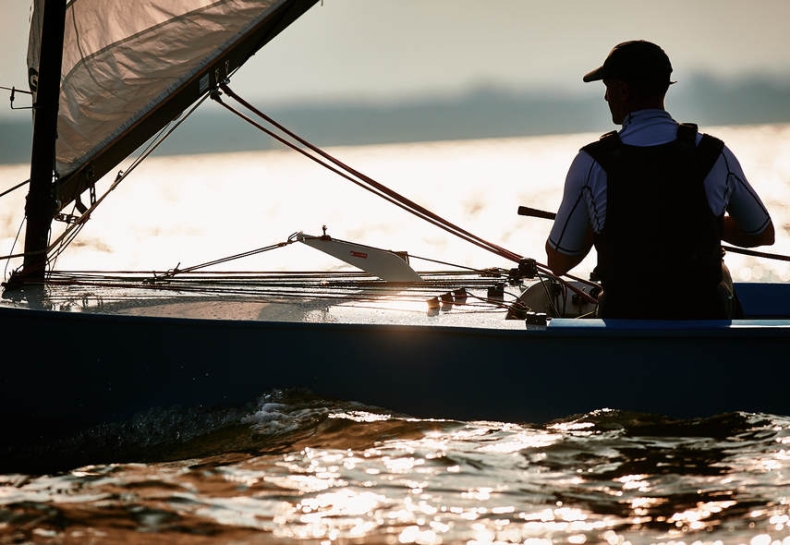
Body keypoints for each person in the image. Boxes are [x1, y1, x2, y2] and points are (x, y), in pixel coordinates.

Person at [545, 40, 774, 319]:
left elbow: (558, 260)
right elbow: (761, 233)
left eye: (607, 87)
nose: (606, 97)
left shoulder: (591, 162)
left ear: (623, 90)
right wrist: (705, 222)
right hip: (703, 322)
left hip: (624, 321)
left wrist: (599, 225)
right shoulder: (715, 154)